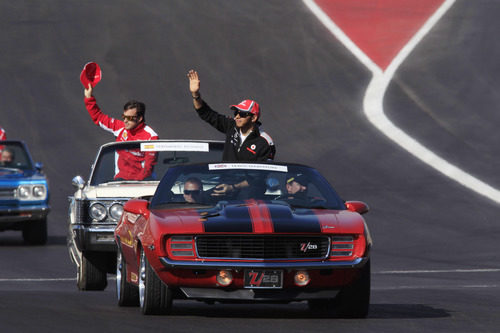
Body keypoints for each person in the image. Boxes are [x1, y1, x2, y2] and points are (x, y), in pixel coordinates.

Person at [187, 69, 275, 162]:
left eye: (242, 114)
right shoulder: (231, 126)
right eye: (236, 112)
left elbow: (263, 173)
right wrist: (195, 94)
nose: (237, 116)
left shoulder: (264, 142)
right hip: (226, 176)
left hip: (248, 177)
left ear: (253, 118)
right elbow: (206, 113)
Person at [84, 83, 159, 180]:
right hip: (120, 181)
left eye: (129, 118)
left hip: (143, 182)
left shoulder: (151, 136)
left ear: (140, 118)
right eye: (124, 117)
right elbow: (98, 117)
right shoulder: (120, 127)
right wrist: (89, 97)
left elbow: (148, 168)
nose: (125, 120)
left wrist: (135, 185)